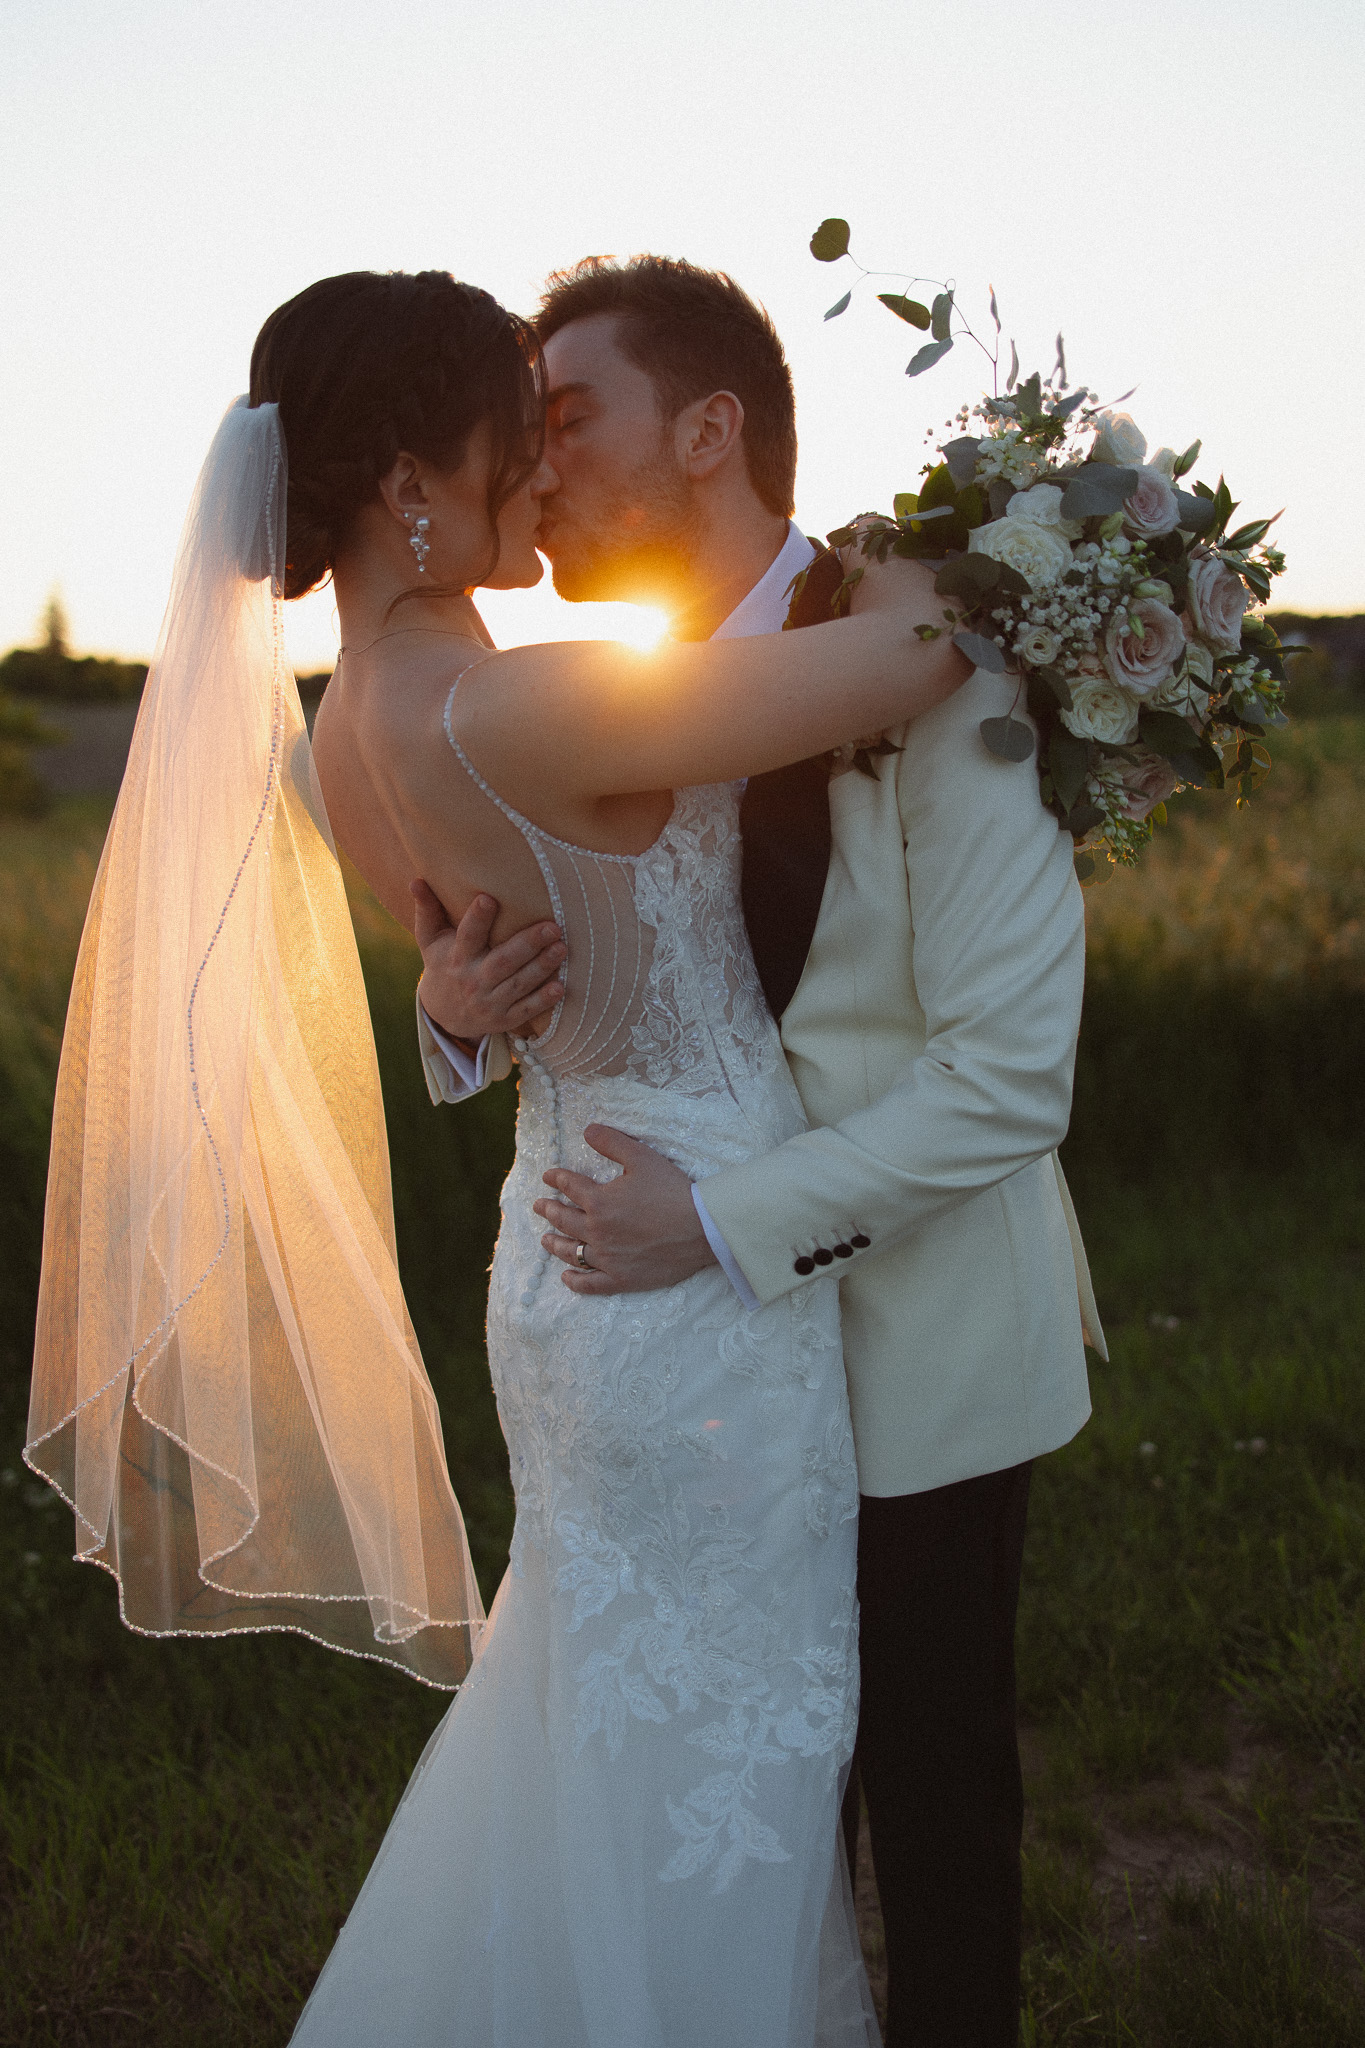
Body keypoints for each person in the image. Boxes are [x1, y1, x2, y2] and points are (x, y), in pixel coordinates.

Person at [27, 267, 968, 2048]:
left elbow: (490, 984)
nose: (542, 471)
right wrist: (991, 522)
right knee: (726, 1756)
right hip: (682, 1276)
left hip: (561, 1262)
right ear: (408, 478)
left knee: (600, 1716)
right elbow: (912, 658)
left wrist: (452, 1010)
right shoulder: (516, 704)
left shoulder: (333, 741)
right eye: (511, 434)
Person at [414, 255, 1108, 2048]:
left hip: (917, 1338)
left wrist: (716, 1219)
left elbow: (1006, 1080)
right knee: (734, 1788)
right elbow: (606, 995)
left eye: (567, 418)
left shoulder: (937, 653)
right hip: (701, 1378)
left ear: (713, 427)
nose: (534, 468)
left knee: (932, 1797)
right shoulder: (615, 700)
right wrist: (460, 1007)